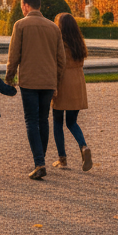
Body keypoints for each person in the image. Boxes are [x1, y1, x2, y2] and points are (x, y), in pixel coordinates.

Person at [5, 0, 66, 180]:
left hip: (29, 81)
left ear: (25, 6)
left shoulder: (20, 25)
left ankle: (39, 162)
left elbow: (14, 55)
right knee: (43, 120)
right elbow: (61, 60)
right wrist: (55, 82)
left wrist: (9, 78)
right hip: (48, 81)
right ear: (39, 6)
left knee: (31, 120)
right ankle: (41, 160)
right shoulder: (53, 27)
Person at [51, 13, 92, 172]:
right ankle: (83, 146)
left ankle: (62, 159)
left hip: (63, 83)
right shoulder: (79, 42)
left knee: (57, 122)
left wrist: (53, 85)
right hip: (78, 83)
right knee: (72, 122)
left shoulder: (59, 43)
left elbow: (58, 66)